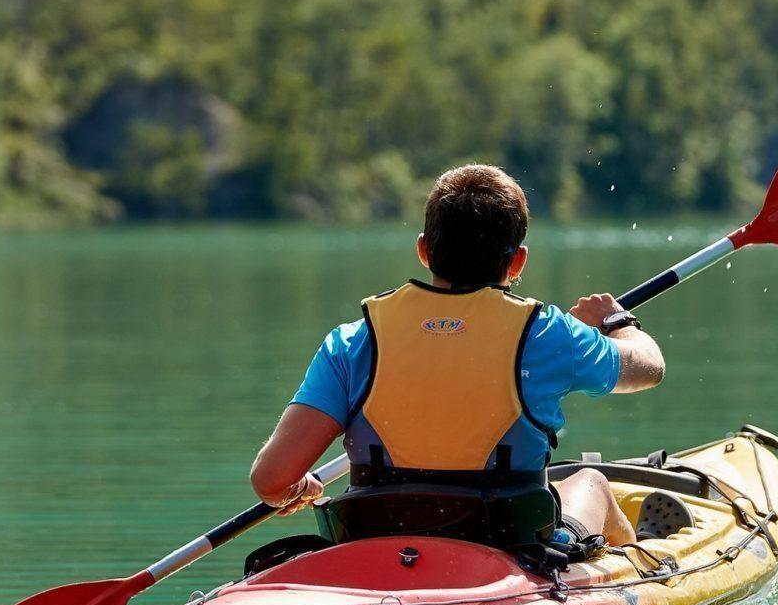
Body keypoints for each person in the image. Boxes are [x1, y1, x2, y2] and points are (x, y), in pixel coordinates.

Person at [248, 164, 666, 551]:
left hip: (376, 540)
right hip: (507, 543)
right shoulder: (548, 334)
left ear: (424, 251)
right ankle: (643, 575)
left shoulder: (353, 341)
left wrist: (299, 487)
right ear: (517, 261)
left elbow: (271, 481)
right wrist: (615, 320)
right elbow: (648, 369)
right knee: (591, 482)